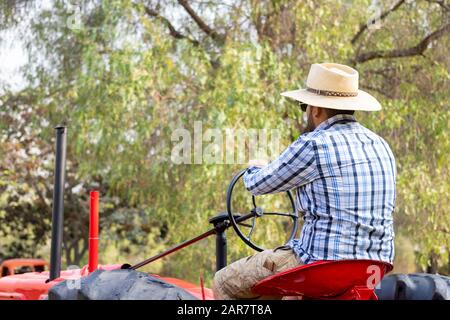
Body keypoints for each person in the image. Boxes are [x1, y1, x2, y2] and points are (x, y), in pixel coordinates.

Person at [213, 62, 397, 300]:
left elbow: (257, 184)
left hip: (322, 267)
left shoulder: (313, 144)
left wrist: (254, 166)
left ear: (316, 109)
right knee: (291, 294)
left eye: (304, 105)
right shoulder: (381, 145)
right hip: (373, 270)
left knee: (223, 282)